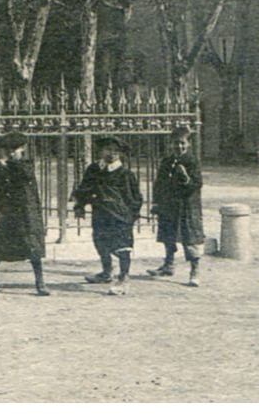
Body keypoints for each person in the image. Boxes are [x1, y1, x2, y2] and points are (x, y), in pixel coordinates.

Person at [0, 131, 49, 296]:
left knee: (33, 248)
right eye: (8, 150)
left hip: (26, 214)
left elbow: (24, 174)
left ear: (23, 149)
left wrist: (10, 163)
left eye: (15, 149)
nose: (11, 153)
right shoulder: (3, 167)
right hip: (9, 214)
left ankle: (40, 282)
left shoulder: (26, 164)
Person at [71, 136, 143, 296]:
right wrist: (80, 205)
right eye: (108, 150)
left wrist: (131, 216)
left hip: (119, 217)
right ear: (101, 151)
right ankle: (106, 272)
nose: (112, 154)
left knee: (122, 247)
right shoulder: (94, 169)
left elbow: (135, 198)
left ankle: (123, 278)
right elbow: (85, 188)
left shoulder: (125, 174)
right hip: (101, 214)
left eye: (116, 151)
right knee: (100, 242)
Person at [148, 124, 204, 286]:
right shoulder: (167, 161)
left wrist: (186, 178)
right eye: (176, 143)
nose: (179, 146)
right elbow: (159, 184)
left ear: (188, 144)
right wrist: (157, 202)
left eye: (182, 143)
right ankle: (168, 265)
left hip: (186, 206)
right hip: (168, 205)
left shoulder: (192, 161)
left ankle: (195, 271)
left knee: (189, 239)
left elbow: (197, 184)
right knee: (168, 236)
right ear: (171, 144)